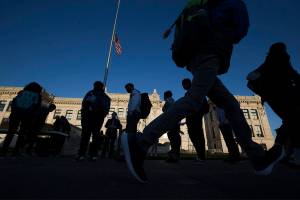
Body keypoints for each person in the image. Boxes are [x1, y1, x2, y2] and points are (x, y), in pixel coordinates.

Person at [122, 0, 279, 183]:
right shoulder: (226, 2)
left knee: (230, 103)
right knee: (193, 100)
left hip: (196, 57)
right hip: (209, 54)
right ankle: (140, 145)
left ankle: (257, 156)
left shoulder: (199, 4)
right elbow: (239, 28)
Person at [247, 42, 300, 167]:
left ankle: (282, 150)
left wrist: (263, 91)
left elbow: (250, 76)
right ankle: (287, 152)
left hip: (273, 100)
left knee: (290, 122)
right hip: (288, 96)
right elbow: (294, 75)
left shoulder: (267, 63)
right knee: (293, 122)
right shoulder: (283, 60)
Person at [0, 82, 43, 157]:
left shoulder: (22, 93)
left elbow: (14, 102)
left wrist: (13, 112)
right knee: (22, 134)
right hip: (27, 116)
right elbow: (36, 107)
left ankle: (3, 151)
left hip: (15, 114)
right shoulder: (37, 96)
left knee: (10, 133)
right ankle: (16, 152)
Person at [77, 81, 111, 161]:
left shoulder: (102, 96)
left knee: (91, 136)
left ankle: (87, 154)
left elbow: (106, 108)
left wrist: (102, 113)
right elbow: (84, 104)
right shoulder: (92, 93)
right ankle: (87, 154)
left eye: (96, 85)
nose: (95, 87)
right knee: (89, 135)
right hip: (90, 116)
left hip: (95, 117)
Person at [182, 78, 209, 162]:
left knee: (197, 135)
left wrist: (199, 113)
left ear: (188, 84)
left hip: (195, 116)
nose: (183, 86)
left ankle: (201, 155)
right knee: (194, 135)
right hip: (191, 117)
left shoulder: (196, 91)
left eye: (184, 85)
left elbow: (205, 105)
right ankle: (200, 155)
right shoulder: (188, 93)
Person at [162, 90, 181, 163]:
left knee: (173, 139)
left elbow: (164, 110)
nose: (163, 97)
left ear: (166, 96)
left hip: (172, 122)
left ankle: (174, 156)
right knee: (174, 138)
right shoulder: (173, 101)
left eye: (164, 96)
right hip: (175, 122)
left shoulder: (169, 102)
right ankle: (175, 155)